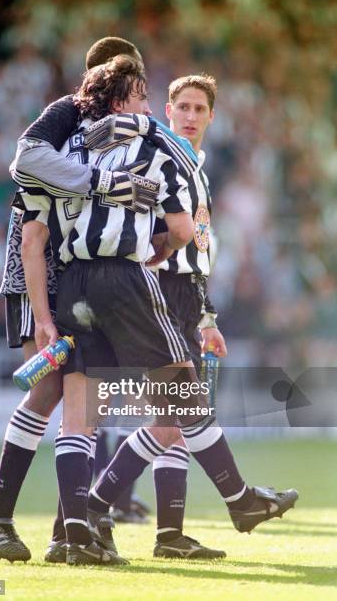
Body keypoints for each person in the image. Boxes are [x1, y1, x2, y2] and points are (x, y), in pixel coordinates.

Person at [0, 37, 199, 564]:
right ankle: (0, 516)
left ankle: (69, 528)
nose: (136, 95)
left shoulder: (114, 139)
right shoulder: (67, 116)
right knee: (53, 389)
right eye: (132, 84)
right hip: (40, 273)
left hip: (75, 276)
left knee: (83, 399)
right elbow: (28, 193)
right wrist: (104, 186)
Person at [84, 74, 299, 559]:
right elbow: (150, 225)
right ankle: (238, 500)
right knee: (187, 409)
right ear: (167, 109)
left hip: (185, 298)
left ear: (211, 116)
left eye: (200, 108)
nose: (190, 116)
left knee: (171, 421)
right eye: (182, 106)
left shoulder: (195, 166)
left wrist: (206, 315)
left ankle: (158, 531)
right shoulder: (156, 155)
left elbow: (199, 246)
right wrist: (149, 267)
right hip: (157, 293)